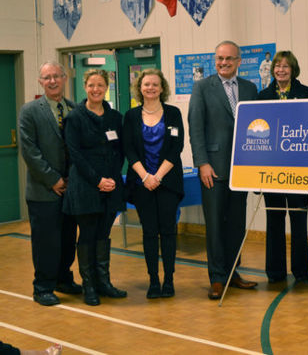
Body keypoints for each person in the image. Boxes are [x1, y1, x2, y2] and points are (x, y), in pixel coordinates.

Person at [188, 40, 259, 300]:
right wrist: (202, 163)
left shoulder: (251, 88)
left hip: (241, 170)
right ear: (214, 60)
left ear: (239, 61)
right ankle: (217, 278)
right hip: (213, 170)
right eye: (220, 59)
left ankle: (233, 273)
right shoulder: (202, 88)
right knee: (216, 226)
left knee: (236, 226)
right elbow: (195, 128)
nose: (224, 63)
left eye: (229, 59)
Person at [18, 61, 81, 306]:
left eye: (56, 76)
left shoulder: (75, 110)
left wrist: (71, 180)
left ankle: (63, 279)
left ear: (65, 79)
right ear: (40, 82)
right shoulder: (30, 111)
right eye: (47, 77)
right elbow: (30, 151)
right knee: (46, 242)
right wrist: (53, 179)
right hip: (43, 191)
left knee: (67, 239)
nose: (52, 81)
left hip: (70, 190)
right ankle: (43, 286)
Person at [63, 69, 127, 306]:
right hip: (85, 187)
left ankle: (104, 283)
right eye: (91, 85)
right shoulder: (75, 117)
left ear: (106, 87)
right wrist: (98, 180)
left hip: (111, 186)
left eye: (100, 85)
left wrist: (110, 179)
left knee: (104, 234)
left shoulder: (115, 117)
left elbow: (120, 151)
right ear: (85, 87)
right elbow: (75, 155)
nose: (96, 89)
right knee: (88, 236)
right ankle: (89, 286)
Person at [123, 69, 184, 299]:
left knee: (168, 232)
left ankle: (169, 280)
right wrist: (145, 177)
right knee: (149, 233)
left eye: (155, 84)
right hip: (142, 185)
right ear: (140, 88)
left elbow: (175, 148)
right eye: (146, 84)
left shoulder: (173, 113)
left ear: (162, 88)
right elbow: (128, 149)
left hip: (168, 182)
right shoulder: (130, 116)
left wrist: (157, 176)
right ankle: (153, 281)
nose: (150, 88)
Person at [257, 51, 308, 283]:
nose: (281, 70)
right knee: (274, 221)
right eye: (277, 66)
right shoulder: (262, 96)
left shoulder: (306, 93)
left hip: (299, 168)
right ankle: (275, 272)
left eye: (286, 66)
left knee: (299, 221)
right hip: (272, 170)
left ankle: (301, 272)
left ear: (293, 69)